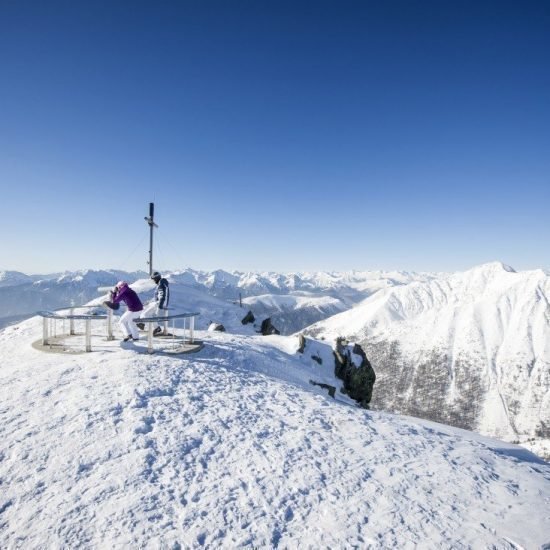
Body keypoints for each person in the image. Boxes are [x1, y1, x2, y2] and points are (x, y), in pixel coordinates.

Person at [137, 271, 170, 336]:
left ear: (157, 278)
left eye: (154, 279)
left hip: (159, 303)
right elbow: (158, 296)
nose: (153, 281)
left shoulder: (161, 284)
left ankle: (142, 323)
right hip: (159, 302)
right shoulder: (162, 283)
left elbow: (163, 295)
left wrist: (160, 306)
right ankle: (156, 327)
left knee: (144, 314)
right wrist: (149, 302)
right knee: (147, 313)